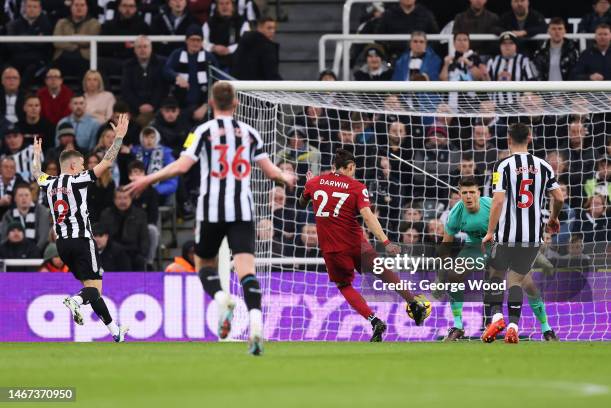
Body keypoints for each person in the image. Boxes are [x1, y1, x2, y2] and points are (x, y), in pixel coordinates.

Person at [126, 81, 296, 356]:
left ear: (213, 104)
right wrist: (285, 176)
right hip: (242, 210)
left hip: (211, 211)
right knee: (246, 271)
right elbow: (271, 171)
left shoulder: (202, 131)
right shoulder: (251, 133)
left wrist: (149, 178)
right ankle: (255, 324)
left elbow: (181, 167)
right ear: (237, 103)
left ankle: (221, 299)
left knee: (203, 263)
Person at [298, 148, 430, 342]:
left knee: (344, 285)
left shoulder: (315, 182)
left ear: (333, 166)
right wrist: (386, 241)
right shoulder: (357, 186)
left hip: (332, 249)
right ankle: (413, 303)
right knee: (383, 273)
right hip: (356, 243)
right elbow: (367, 216)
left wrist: (308, 185)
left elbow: (302, 203)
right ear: (350, 167)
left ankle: (374, 320)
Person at [32, 114, 130, 342]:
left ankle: (115, 332)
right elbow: (106, 163)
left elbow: (37, 173)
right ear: (74, 166)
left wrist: (37, 156)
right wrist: (119, 139)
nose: (86, 167)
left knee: (91, 289)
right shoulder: (77, 179)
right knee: (94, 289)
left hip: (62, 244)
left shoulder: (49, 182)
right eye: (83, 164)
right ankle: (75, 301)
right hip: (83, 240)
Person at [441, 177, 558, 341]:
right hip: (474, 248)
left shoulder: (492, 205)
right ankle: (458, 326)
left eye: (472, 192)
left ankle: (546, 328)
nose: (468, 196)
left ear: (479, 193)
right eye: (464, 193)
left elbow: (513, 227)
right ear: (459, 195)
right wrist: (444, 267)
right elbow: (446, 244)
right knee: (453, 275)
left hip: (501, 244)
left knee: (528, 283)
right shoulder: (455, 213)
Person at [481, 123, 565, 343]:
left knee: (495, 274)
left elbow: (498, 201)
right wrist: (554, 218)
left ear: (509, 139)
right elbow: (559, 198)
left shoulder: (502, 166)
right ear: (530, 138)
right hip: (532, 237)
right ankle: (513, 326)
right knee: (517, 280)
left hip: (507, 235)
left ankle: (498, 317)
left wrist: (490, 232)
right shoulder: (544, 166)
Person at [163, 25, 218, 122]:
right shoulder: (177, 54)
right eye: (193, 40)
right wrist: (177, 77)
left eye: (198, 40)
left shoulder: (209, 58)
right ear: (186, 40)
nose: (195, 43)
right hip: (180, 106)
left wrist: (206, 106)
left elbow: (216, 83)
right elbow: (166, 70)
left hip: (203, 107)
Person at [99, 187, 150, 271]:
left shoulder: (140, 214)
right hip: (112, 252)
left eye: (125, 198)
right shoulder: (106, 214)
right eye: (119, 198)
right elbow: (103, 237)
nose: (122, 201)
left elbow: (144, 238)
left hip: (133, 251)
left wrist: (142, 254)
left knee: (139, 261)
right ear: (114, 200)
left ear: (131, 199)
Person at [121, 36, 168, 126]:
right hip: (134, 109)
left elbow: (162, 88)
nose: (142, 50)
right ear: (134, 50)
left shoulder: (162, 63)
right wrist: (139, 105)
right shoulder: (128, 65)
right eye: (139, 47)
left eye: (145, 46)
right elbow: (126, 89)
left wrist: (152, 105)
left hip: (158, 107)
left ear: (151, 48)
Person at [4, 0, 52, 88]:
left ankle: (19, 91)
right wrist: (33, 39)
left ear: (40, 9)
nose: (32, 9)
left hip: (37, 60)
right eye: (29, 6)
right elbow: (11, 45)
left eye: (35, 7)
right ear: (24, 8)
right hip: (16, 59)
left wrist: (22, 38)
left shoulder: (46, 24)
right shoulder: (15, 24)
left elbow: (42, 45)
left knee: (32, 68)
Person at [52, 0, 101, 79]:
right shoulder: (61, 22)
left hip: (84, 58)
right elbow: (57, 42)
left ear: (87, 7)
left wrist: (69, 37)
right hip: (62, 57)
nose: (79, 8)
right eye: (76, 5)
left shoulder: (94, 23)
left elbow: (88, 42)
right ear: (71, 7)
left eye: (82, 5)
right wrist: (75, 45)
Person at [99, 0, 149, 76]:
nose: (128, 9)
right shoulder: (109, 25)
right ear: (119, 7)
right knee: (99, 62)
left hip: (135, 61)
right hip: (114, 60)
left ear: (136, 8)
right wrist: (122, 46)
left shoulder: (143, 27)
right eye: (124, 6)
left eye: (131, 6)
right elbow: (102, 47)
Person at [485, 32, 536, 104]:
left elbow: (532, 83)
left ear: (516, 45)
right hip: (496, 105)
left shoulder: (523, 60)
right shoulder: (492, 61)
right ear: (500, 46)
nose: (507, 46)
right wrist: (497, 81)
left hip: (518, 106)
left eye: (511, 43)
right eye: (504, 43)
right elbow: (486, 85)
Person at [130, 126, 178, 202]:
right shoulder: (134, 152)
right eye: (146, 137)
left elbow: (172, 182)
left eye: (152, 137)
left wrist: (153, 191)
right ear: (141, 139)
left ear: (157, 139)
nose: (149, 140)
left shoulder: (166, 154)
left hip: (159, 193)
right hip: (138, 191)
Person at [0, 182, 50, 251]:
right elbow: (4, 238)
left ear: (31, 197)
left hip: (37, 252)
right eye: (20, 195)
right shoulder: (8, 214)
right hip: (13, 253)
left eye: (26, 195)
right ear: (15, 198)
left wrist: (33, 252)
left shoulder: (41, 211)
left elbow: (43, 237)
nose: (24, 198)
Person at [203, 0, 250, 71]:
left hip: (235, 60)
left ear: (233, 6)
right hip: (213, 59)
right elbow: (203, 41)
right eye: (221, 4)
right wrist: (213, 47)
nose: (224, 6)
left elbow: (245, 42)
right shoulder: (209, 23)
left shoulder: (242, 22)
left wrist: (229, 50)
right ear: (217, 6)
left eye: (227, 3)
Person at [231, 16, 281, 80]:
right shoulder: (266, 47)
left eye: (274, 28)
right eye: (269, 28)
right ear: (259, 28)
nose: (272, 31)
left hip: (241, 84)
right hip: (258, 86)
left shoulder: (245, 41)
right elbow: (271, 73)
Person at [86, 153, 116, 223]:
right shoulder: (83, 180)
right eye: (90, 162)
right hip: (88, 219)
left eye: (95, 162)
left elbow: (109, 203)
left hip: (104, 218)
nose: (92, 164)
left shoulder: (109, 181)